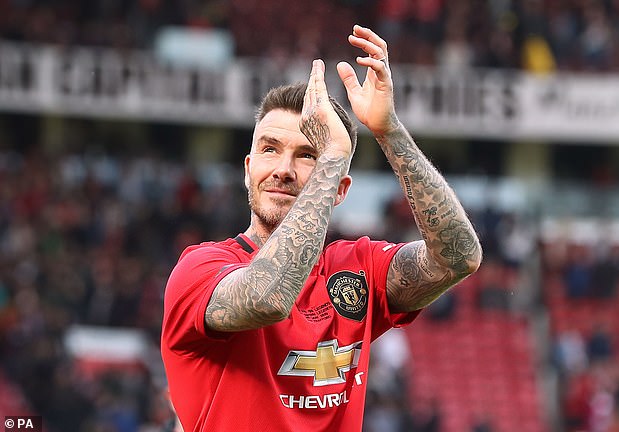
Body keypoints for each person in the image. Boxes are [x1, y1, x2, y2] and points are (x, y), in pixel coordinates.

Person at [161, 24, 482, 432]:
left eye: (307, 155)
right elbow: (267, 298)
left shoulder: (357, 268)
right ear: (248, 169)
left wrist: (389, 132)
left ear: (339, 189)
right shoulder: (199, 269)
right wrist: (331, 155)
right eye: (270, 149)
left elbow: (458, 258)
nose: (283, 169)